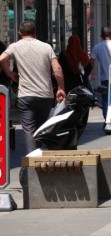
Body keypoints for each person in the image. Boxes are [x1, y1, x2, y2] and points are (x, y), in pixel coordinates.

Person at [0, 21, 66, 153]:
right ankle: (41, 158)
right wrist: (61, 88)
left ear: (19, 33)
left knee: (29, 129)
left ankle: (32, 160)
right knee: (42, 128)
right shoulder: (46, 47)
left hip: (26, 95)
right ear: (35, 32)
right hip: (45, 95)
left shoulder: (14, 46)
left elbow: (1, 59)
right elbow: (57, 68)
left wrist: (9, 73)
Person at [90, 26, 111, 119]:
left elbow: (92, 61)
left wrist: (91, 73)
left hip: (104, 77)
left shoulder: (97, 47)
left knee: (105, 99)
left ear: (102, 36)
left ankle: (106, 119)